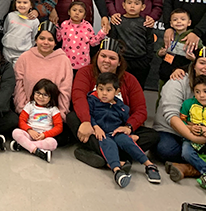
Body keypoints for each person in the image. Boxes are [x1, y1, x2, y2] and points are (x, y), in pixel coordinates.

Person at [66, 38, 160, 168]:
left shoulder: (130, 80)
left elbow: (141, 110)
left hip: (117, 129)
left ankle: (97, 155)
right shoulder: (85, 72)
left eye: (112, 58)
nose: (106, 61)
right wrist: (87, 121)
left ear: (119, 62)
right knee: (72, 117)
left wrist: (129, 127)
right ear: (97, 57)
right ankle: (119, 157)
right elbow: (78, 97)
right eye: (103, 56)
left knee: (152, 136)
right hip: (94, 126)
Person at [154, 46, 206, 182]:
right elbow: (172, 116)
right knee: (165, 149)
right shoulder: (178, 81)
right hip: (173, 132)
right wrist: (194, 137)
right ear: (194, 65)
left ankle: (189, 169)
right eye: (202, 62)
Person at [89, 72, 161, 187]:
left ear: (117, 92)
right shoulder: (92, 100)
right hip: (102, 133)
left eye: (108, 90)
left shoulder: (121, 106)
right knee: (108, 145)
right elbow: (89, 116)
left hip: (117, 132)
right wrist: (95, 126)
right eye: (101, 89)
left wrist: (130, 132)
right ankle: (117, 171)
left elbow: (126, 121)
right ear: (96, 88)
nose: (104, 93)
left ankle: (149, 165)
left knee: (127, 141)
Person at [13, 22, 73, 120]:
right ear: (36, 39)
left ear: (55, 43)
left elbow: (65, 90)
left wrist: (60, 114)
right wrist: (22, 109)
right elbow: (19, 86)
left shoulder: (64, 61)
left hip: (54, 115)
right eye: (42, 38)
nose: (45, 42)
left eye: (50, 40)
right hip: (27, 113)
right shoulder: (25, 57)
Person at [106, 0, 153, 88]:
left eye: (136, 3)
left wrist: (147, 59)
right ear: (123, 5)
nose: (132, 6)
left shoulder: (146, 23)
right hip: (122, 60)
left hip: (140, 62)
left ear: (143, 7)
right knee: (120, 86)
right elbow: (112, 41)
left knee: (138, 88)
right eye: (129, 3)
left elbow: (149, 42)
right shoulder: (117, 21)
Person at [9, 78, 62, 162]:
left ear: (51, 97)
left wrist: (45, 135)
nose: (40, 97)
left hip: (43, 137)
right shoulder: (30, 105)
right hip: (29, 134)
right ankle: (37, 150)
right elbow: (21, 120)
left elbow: (59, 127)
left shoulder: (53, 110)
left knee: (53, 143)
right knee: (16, 132)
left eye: (45, 95)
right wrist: (29, 130)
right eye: (38, 93)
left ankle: (23, 146)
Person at [57, 1, 106, 72]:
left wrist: (102, 33)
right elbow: (58, 39)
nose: (77, 13)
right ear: (69, 12)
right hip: (66, 62)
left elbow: (93, 42)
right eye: (74, 10)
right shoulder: (64, 24)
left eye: (80, 11)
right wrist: (55, 26)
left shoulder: (87, 26)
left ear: (84, 15)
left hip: (83, 63)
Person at [157, 9, 202, 83]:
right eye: (175, 19)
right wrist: (160, 53)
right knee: (162, 89)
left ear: (189, 22)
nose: (179, 21)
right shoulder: (169, 35)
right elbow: (160, 49)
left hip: (183, 72)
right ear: (171, 24)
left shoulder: (193, 38)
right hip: (166, 70)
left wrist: (194, 59)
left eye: (183, 19)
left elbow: (201, 56)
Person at [2, 0, 39, 66]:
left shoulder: (34, 21)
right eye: (19, 2)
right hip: (7, 51)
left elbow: (33, 38)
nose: (21, 5)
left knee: (17, 74)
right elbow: (5, 30)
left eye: (25, 3)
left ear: (31, 5)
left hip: (22, 53)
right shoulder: (10, 16)